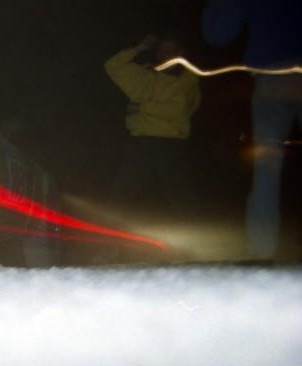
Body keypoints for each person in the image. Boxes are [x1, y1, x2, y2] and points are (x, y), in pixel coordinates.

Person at [202, 0, 302, 261]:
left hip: (273, 78)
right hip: (276, 78)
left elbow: (217, 34)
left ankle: (260, 251)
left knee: (266, 168)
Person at [104, 34, 201, 225]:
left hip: (171, 144)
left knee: (181, 198)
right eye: (162, 49)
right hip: (141, 143)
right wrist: (138, 49)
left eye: (170, 49)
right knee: (120, 196)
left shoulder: (189, 78)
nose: (165, 54)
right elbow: (112, 66)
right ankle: (106, 248)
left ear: (180, 53)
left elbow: (180, 111)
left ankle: (198, 246)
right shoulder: (146, 74)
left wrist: (142, 107)